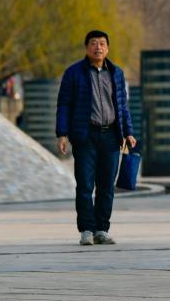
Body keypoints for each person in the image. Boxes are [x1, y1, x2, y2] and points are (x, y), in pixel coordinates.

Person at [56, 30, 136, 246]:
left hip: (111, 136)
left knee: (107, 185)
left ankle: (102, 228)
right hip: (85, 135)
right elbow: (64, 104)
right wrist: (62, 133)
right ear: (86, 48)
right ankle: (86, 230)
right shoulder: (74, 73)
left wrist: (128, 131)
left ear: (107, 48)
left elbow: (122, 106)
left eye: (102, 43)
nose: (98, 47)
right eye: (93, 43)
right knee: (84, 184)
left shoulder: (116, 73)